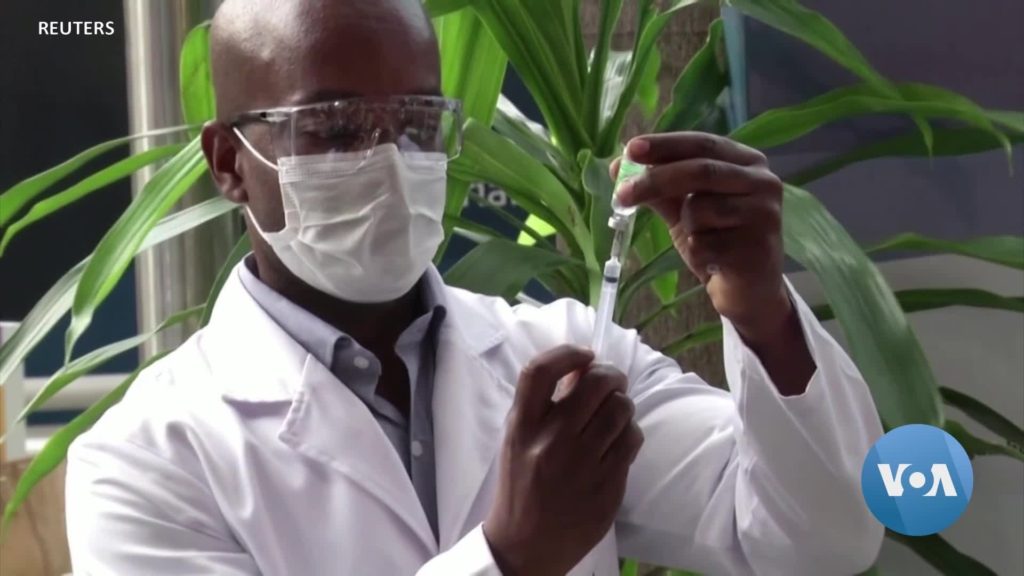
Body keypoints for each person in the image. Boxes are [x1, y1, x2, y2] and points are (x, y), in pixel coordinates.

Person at [65, 0, 884, 574]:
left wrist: (763, 312)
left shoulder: (567, 357)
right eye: (335, 127)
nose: (390, 162)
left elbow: (819, 542)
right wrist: (511, 559)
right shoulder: (144, 460)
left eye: (419, 122)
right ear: (228, 163)